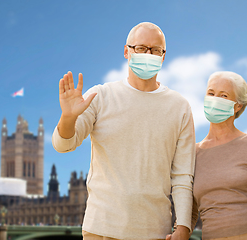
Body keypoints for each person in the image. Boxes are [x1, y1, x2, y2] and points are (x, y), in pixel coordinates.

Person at [52, 22, 195, 240]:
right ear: (126, 51)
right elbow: (63, 145)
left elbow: (183, 175)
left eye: (155, 50)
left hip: (155, 231)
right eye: (141, 48)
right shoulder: (100, 96)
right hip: (101, 229)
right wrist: (68, 117)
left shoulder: (180, 107)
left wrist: (183, 227)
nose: (148, 54)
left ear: (163, 56)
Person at [169, 71, 247, 240]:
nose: (214, 99)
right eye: (211, 93)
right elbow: (190, 209)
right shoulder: (192, 154)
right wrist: (180, 231)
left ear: (237, 106)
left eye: (223, 95)